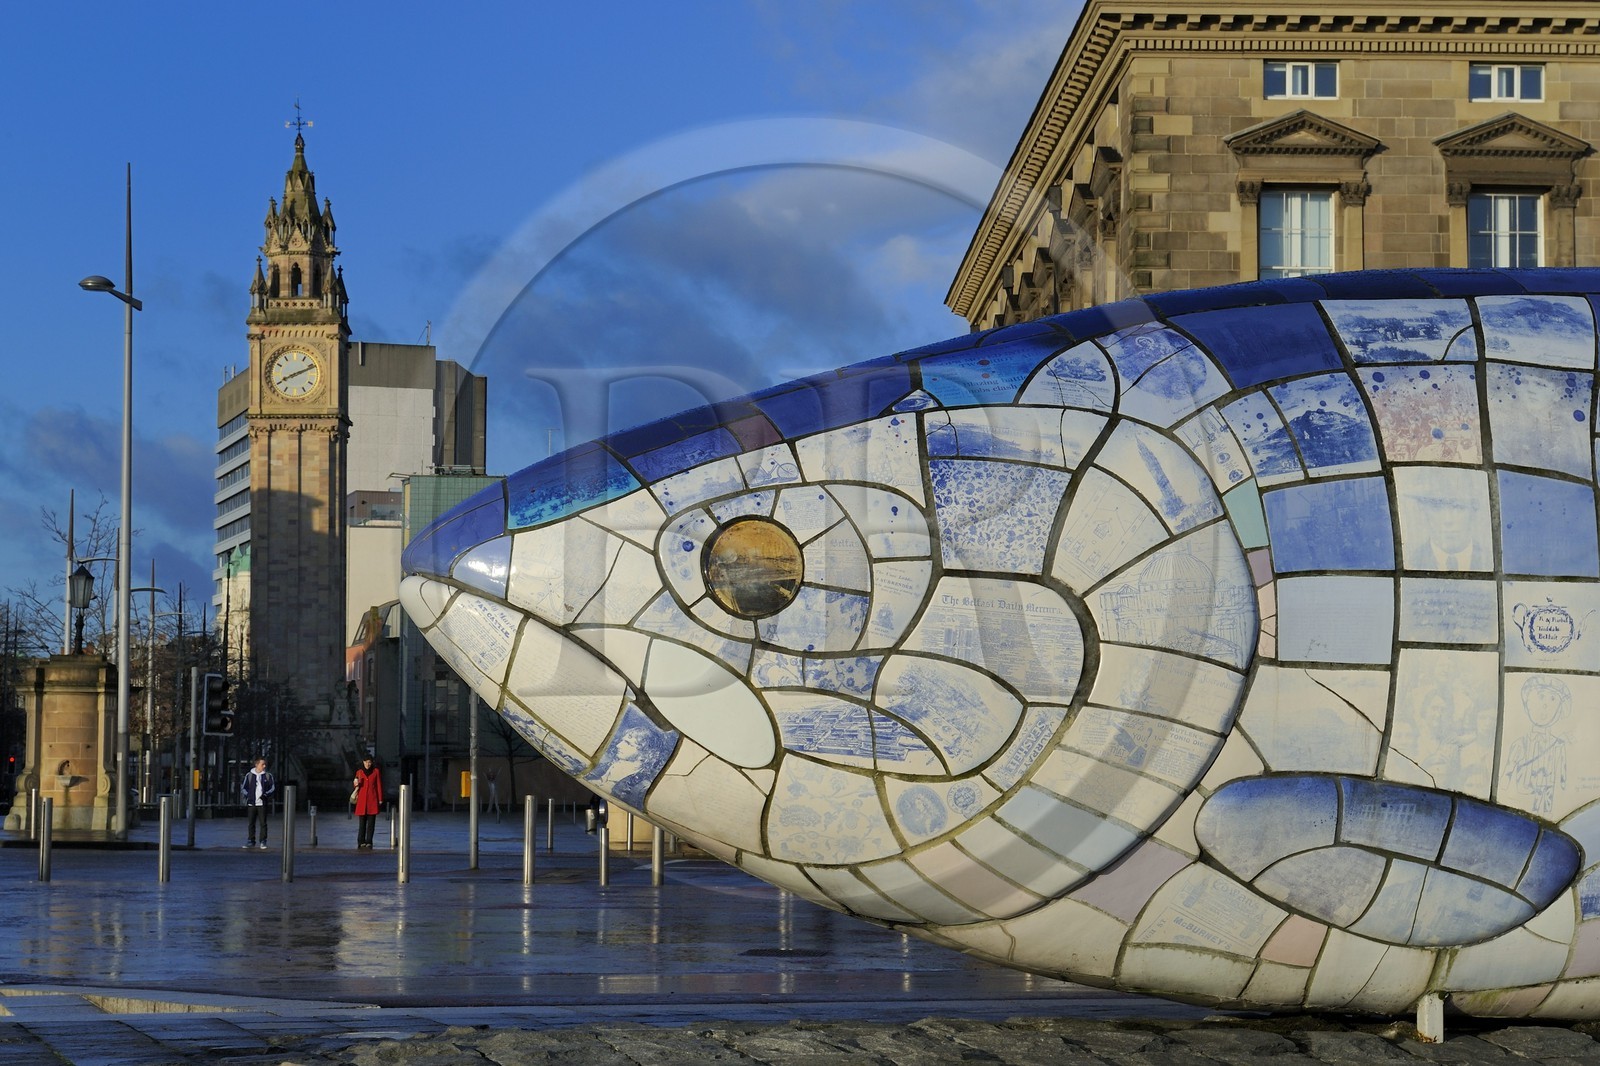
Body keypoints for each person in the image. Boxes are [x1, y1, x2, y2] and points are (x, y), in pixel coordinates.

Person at [240, 757, 275, 850]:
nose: (264, 766)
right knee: (251, 823)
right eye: (262, 764)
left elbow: (272, 788)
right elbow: (244, 787)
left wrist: (265, 795)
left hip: (262, 803)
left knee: (263, 823)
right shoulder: (249, 775)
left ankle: (263, 841)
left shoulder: (268, 776)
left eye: (264, 764)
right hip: (252, 803)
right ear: (257, 765)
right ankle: (251, 841)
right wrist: (249, 796)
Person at [353, 756, 382, 849]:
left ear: (372, 763)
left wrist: (380, 798)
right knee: (362, 824)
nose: (367, 764)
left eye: (369, 762)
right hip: (362, 801)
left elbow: (378, 785)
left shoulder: (376, 771)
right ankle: (361, 841)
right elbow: (355, 785)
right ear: (363, 762)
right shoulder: (359, 772)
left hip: (372, 800)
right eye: (366, 762)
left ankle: (369, 841)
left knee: (371, 824)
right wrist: (356, 783)